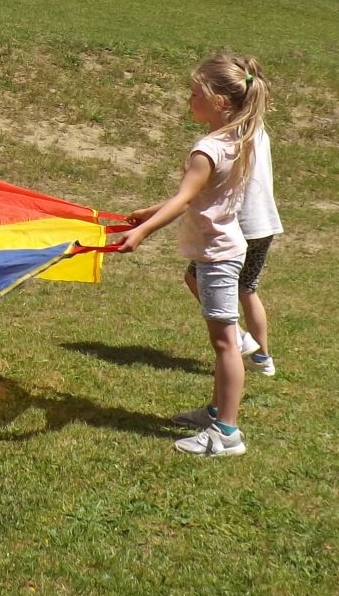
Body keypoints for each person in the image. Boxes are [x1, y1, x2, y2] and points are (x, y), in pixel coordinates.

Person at [116, 53, 269, 458]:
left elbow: (185, 200)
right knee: (224, 343)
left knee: (226, 345)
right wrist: (148, 213)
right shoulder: (241, 139)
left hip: (218, 256)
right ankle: (217, 411)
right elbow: (202, 197)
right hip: (223, 250)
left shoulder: (207, 148)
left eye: (194, 92)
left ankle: (227, 433)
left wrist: (143, 232)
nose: (189, 100)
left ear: (220, 101)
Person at [234, 56, 280, 378]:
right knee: (247, 288)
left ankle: (238, 338)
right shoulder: (259, 129)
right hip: (264, 225)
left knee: (196, 279)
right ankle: (263, 358)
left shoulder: (234, 134)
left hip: (240, 226)